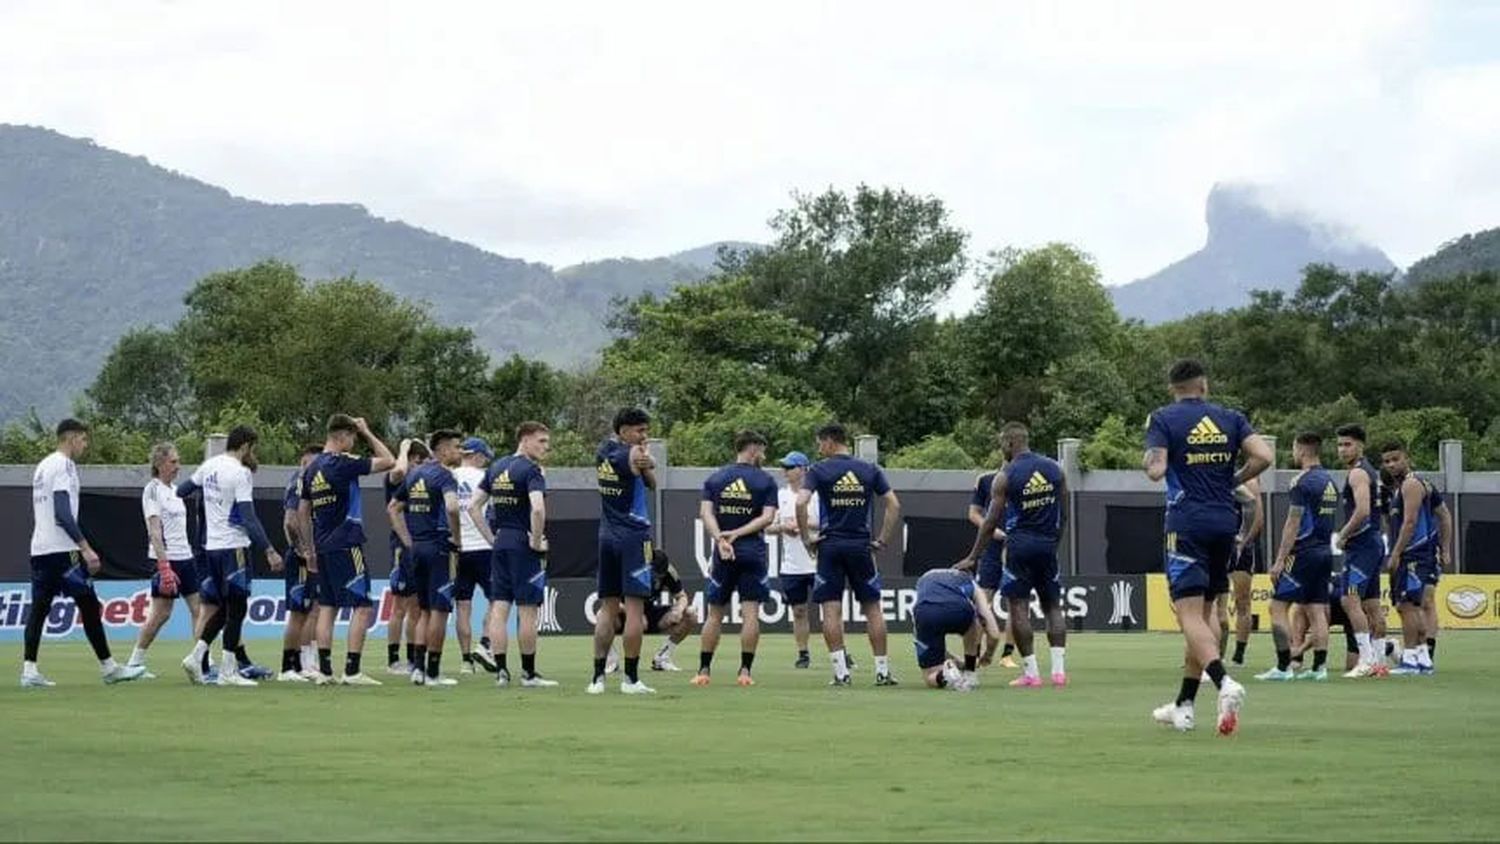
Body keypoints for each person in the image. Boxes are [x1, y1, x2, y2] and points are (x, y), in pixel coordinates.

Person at [1143, 360, 1270, 734]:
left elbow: (1156, 470)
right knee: (1210, 608)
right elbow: (1264, 456)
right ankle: (1183, 704)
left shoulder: (1163, 418)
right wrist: (1233, 478)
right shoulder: (1230, 418)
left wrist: (1150, 458)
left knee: (1187, 614)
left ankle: (1224, 682)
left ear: (1173, 388)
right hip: (1224, 521)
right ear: (1204, 385)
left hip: (1186, 523)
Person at [22, 418, 146, 687]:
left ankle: (29, 671)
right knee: (89, 605)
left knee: (40, 609)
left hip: (40, 548)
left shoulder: (43, 466)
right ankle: (109, 667)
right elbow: (62, 512)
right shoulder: (65, 465)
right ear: (72, 438)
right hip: (63, 551)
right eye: (83, 439)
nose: (85, 445)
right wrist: (86, 547)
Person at [957, 423, 1068, 687]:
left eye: (1001, 445)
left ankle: (1031, 674)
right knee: (1052, 605)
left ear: (1009, 443)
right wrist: (1054, 543)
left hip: (1019, 546)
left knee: (1018, 606)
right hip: (1047, 545)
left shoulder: (1006, 475)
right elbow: (1065, 513)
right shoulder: (1054, 468)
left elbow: (990, 521)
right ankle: (1059, 672)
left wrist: (973, 556)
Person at [796, 422, 901, 687]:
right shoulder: (868, 469)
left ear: (831, 441)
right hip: (861, 546)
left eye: (820, 443)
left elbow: (800, 502)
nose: (820, 449)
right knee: (873, 608)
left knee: (830, 609)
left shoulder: (820, 470)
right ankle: (882, 671)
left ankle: (841, 673)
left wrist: (807, 538)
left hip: (830, 546)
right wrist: (882, 540)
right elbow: (893, 504)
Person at [178, 425, 283, 686]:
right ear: (246, 446)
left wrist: (211, 505)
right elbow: (248, 516)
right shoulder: (240, 473)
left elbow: (181, 490)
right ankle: (227, 671)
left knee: (224, 607)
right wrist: (269, 549)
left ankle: (197, 655)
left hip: (211, 548)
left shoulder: (209, 465)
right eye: (253, 448)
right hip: (233, 546)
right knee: (237, 607)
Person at [298, 414, 396, 685]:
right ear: (342, 437)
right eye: (351, 437)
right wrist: (367, 431)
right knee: (362, 606)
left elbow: (302, 511)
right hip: (347, 541)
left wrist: (309, 550)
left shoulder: (311, 469)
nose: (353, 442)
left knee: (327, 606)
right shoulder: (343, 463)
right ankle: (352, 670)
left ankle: (325, 670)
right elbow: (389, 461)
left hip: (323, 546)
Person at [470, 422, 559, 688]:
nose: (546, 447)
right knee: (527, 611)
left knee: (499, 608)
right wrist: (535, 539)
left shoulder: (496, 467)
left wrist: (491, 539)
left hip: (501, 544)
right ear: (525, 440)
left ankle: (501, 672)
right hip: (522, 543)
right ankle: (529, 674)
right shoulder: (531, 470)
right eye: (541, 441)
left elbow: (474, 506)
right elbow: (538, 510)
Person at [692, 431, 779, 687]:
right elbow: (768, 518)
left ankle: (704, 671)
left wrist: (721, 538)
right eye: (762, 450)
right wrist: (737, 535)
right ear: (752, 449)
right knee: (750, 613)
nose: (763, 455)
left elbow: (705, 513)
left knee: (714, 613)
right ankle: (745, 672)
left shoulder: (716, 478)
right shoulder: (765, 481)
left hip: (723, 553)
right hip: (752, 551)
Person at [587, 408, 659, 696]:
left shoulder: (602, 451)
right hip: (634, 536)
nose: (645, 435)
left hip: (607, 534)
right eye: (639, 430)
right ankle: (630, 679)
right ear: (623, 431)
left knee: (607, 608)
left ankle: (597, 678)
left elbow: (648, 478)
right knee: (634, 610)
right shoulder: (632, 455)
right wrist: (648, 458)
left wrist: (646, 461)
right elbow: (650, 473)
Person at [1257, 432, 1337, 682]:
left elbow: (1293, 522)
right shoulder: (1329, 481)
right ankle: (1319, 668)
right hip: (1325, 552)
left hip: (1303, 552)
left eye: (1293, 449)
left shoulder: (1301, 482)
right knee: (1316, 610)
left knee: (1277, 606)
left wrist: (1280, 559)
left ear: (1301, 450)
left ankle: (1283, 667)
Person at [389, 430, 464, 687]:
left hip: (416, 549)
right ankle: (433, 672)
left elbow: (393, 508)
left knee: (421, 612)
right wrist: (457, 537)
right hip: (439, 548)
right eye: (456, 447)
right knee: (439, 611)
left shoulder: (415, 474)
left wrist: (408, 540)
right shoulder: (444, 476)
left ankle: (418, 670)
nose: (460, 452)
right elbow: (453, 507)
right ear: (442, 450)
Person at [125, 442, 202, 679]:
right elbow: (155, 531)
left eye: (178, 461)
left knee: (199, 609)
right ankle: (134, 662)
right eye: (173, 462)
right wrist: (164, 566)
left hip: (186, 556)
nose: (178, 466)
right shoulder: (153, 489)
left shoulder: (176, 491)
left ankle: (200, 662)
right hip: (166, 559)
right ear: (159, 464)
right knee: (161, 613)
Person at [1380, 442, 1451, 675]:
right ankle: (1423, 659)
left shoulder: (1411, 484)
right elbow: (1444, 515)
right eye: (1387, 461)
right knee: (1414, 606)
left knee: (1407, 605)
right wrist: (1445, 547)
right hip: (1422, 554)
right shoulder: (1419, 485)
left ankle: (1410, 659)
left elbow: (1410, 523)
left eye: (1395, 459)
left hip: (1414, 554)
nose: (1391, 465)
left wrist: (1396, 553)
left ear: (1406, 458)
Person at [1333, 424, 1387, 677]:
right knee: (1372, 604)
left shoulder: (1357, 473)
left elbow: (1363, 510)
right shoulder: (1370, 471)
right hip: (1374, 542)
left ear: (1360, 446)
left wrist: (1343, 534)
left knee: (1349, 599)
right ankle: (1378, 661)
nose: (1342, 449)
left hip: (1362, 544)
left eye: (1348, 444)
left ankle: (1365, 660)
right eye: (1340, 444)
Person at [605, 549, 700, 675]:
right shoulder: (630, 570)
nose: (658, 578)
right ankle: (612, 661)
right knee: (603, 615)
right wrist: (633, 613)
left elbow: (682, 596)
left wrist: (678, 610)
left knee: (691, 616)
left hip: (649, 613)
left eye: (661, 575)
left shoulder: (669, 571)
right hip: (625, 613)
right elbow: (610, 601)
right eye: (655, 574)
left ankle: (662, 657)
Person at [766, 451, 818, 669]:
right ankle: (803, 652)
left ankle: (841, 651)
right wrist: (784, 527)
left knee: (832, 608)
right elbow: (768, 526)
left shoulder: (817, 496)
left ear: (803, 469)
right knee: (798, 610)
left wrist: (804, 525)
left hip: (818, 562)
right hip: (792, 564)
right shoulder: (780, 496)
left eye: (790, 467)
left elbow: (827, 522)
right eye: (784, 467)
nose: (785, 471)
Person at [277, 444, 323, 682]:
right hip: (302, 558)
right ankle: (290, 666)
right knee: (300, 612)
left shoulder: (306, 481)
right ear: (305, 461)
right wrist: (304, 550)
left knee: (312, 610)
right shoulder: (300, 482)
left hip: (309, 554)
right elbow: (290, 522)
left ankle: (303, 662)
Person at [450, 436, 495, 675]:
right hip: (484, 547)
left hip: (460, 549)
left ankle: (466, 660)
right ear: (476, 455)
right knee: (498, 599)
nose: (485, 461)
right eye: (484, 457)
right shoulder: (484, 478)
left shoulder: (450, 476)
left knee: (463, 606)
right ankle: (485, 643)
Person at [913, 567, 999, 691]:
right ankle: (970, 673)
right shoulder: (971, 583)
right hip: (959, 609)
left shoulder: (925, 578)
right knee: (974, 622)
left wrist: (955, 662)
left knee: (930, 676)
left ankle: (945, 674)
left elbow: (933, 648)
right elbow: (992, 629)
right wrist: (988, 655)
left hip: (926, 612)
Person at [384, 439, 429, 676]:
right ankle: (393, 660)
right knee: (400, 607)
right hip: (403, 548)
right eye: (418, 461)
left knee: (416, 608)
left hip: (420, 547)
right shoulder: (397, 479)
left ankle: (413, 659)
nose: (421, 466)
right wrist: (403, 448)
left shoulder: (419, 483)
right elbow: (399, 469)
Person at [967, 466, 1014, 668]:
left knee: (1016, 601)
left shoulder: (1025, 478)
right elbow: (974, 513)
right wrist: (991, 529)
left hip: (1016, 547)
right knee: (982, 599)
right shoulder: (986, 480)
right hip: (991, 549)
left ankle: (1007, 655)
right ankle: (975, 653)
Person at [1226, 475, 1263, 666]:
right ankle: (1210, 654)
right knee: (1212, 600)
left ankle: (1238, 655)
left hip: (1241, 547)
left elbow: (1258, 516)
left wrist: (1244, 541)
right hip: (1217, 541)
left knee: (1242, 601)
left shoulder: (1250, 481)